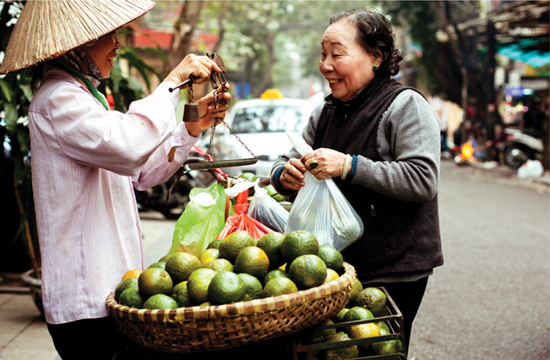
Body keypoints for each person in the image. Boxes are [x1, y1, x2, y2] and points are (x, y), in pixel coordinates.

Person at [0, 1, 230, 359]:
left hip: (112, 292)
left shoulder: (83, 98)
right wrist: (171, 83)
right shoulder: (57, 100)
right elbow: (127, 144)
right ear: (79, 43)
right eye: (110, 35)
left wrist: (191, 127)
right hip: (86, 300)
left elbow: (142, 172)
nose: (117, 45)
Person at [270, 9, 443, 352]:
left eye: (337, 54)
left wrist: (349, 166)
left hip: (392, 266)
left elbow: (423, 179)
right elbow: (284, 158)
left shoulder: (404, 105)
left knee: (378, 352)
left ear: (375, 58)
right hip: (332, 268)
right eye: (323, 54)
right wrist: (282, 175)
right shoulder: (326, 111)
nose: (325, 65)